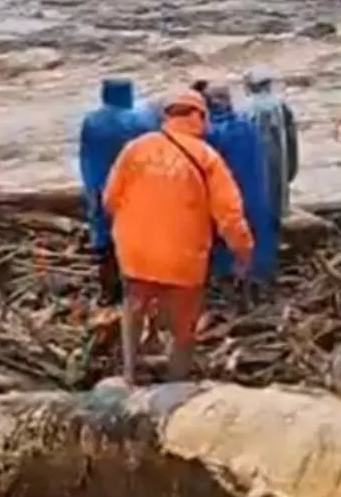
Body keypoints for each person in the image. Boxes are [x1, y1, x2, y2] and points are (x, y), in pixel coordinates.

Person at [102, 91, 253, 383]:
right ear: (198, 116)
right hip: (183, 257)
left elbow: (110, 199)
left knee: (134, 307)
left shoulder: (136, 149)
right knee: (185, 325)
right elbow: (230, 215)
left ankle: (129, 375)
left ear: (167, 117)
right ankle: (177, 383)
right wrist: (243, 251)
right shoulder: (207, 158)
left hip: (135, 253)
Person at [78, 77, 152, 303]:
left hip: (98, 183)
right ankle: (135, 289)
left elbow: (84, 155)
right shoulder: (139, 122)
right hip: (130, 189)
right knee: (133, 237)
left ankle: (108, 292)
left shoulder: (91, 121)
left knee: (103, 238)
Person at [202, 83, 272, 285]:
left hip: (228, 198)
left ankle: (230, 283)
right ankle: (261, 279)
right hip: (256, 193)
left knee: (226, 244)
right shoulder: (248, 125)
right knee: (258, 238)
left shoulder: (211, 134)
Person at [242, 67, 300, 263]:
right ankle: (275, 247)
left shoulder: (246, 110)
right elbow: (292, 139)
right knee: (277, 201)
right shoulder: (281, 106)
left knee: (258, 205)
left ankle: (259, 252)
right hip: (280, 160)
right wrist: (292, 167)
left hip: (256, 163)